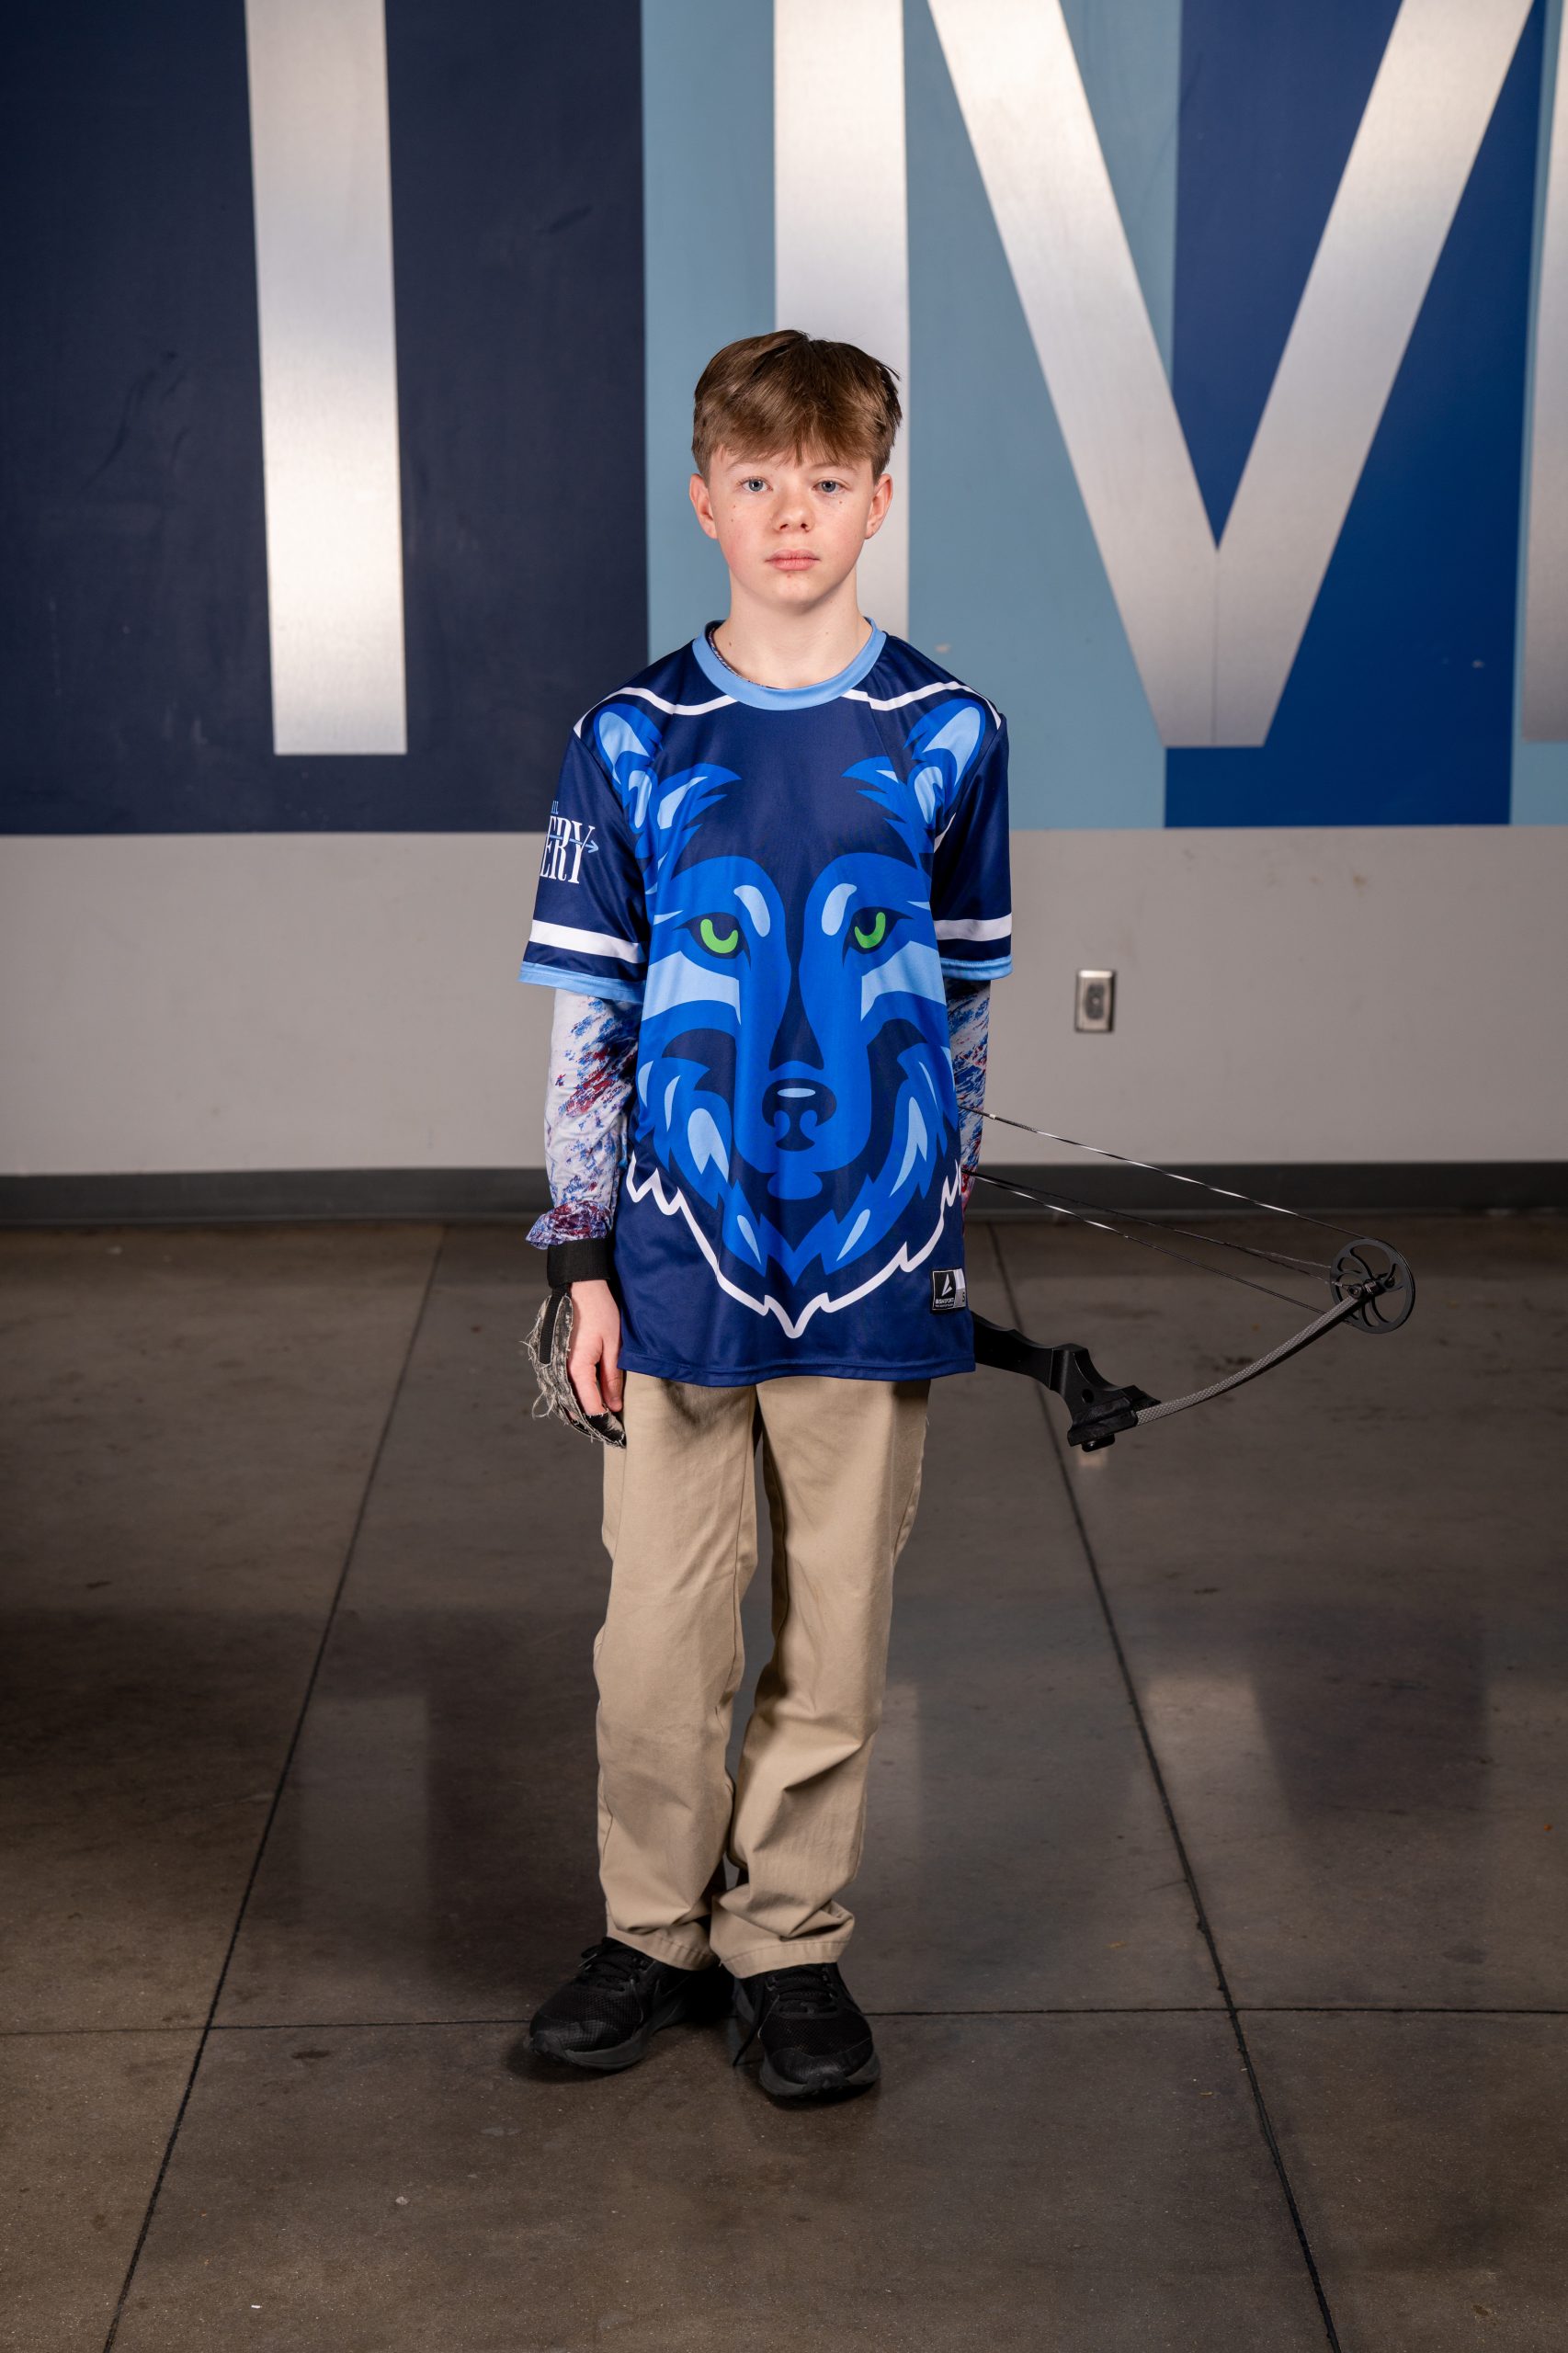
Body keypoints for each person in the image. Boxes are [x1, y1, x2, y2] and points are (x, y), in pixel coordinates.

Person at [517, 329, 1011, 2099]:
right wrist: (582, 1259)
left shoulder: (948, 731)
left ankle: (786, 1941)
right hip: (671, 1265)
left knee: (836, 1630)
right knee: (656, 1632)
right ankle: (650, 1932)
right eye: (755, 479)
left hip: (870, 1269)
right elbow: (589, 1015)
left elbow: (960, 1005)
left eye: (825, 480)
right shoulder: (631, 736)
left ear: (878, 500)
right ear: (702, 499)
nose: (789, 513)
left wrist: (938, 1212)